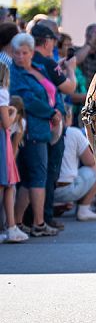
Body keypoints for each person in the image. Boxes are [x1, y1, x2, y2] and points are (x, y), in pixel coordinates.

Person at [10, 33, 61, 237]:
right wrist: (51, 113)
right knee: (38, 176)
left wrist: (58, 110)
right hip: (31, 130)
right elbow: (27, 100)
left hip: (45, 128)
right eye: (16, 53)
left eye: (24, 52)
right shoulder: (14, 73)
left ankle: (17, 221)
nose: (20, 57)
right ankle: (38, 224)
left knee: (32, 178)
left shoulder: (39, 68)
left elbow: (53, 92)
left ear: (32, 52)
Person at [31, 23, 77, 230]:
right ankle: (45, 217)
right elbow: (69, 87)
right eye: (53, 41)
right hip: (52, 125)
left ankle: (33, 218)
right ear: (47, 41)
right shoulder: (48, 63)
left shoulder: (29, 61)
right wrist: (71, 70)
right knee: (49, 172)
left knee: (33, 174)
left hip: (35, 125)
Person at [53, 107, 96, 221]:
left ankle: (55, 204)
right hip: (68, 189)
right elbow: (90, 161)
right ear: (68, 117)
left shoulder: (47, 131)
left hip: (48, 190)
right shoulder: (73, 132)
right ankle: (84, 209)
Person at [0, 63, 27, 243]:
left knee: (7, 184)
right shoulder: (2, 92)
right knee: (6, 184)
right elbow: (7, 124)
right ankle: (10, 227)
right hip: (2, 141)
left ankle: (9, 226)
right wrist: (13, 111)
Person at [75, 23, 96, 88]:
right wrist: (90, 42)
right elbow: (77, 60)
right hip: (81, 91)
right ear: (87, 36)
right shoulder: (77, 50)